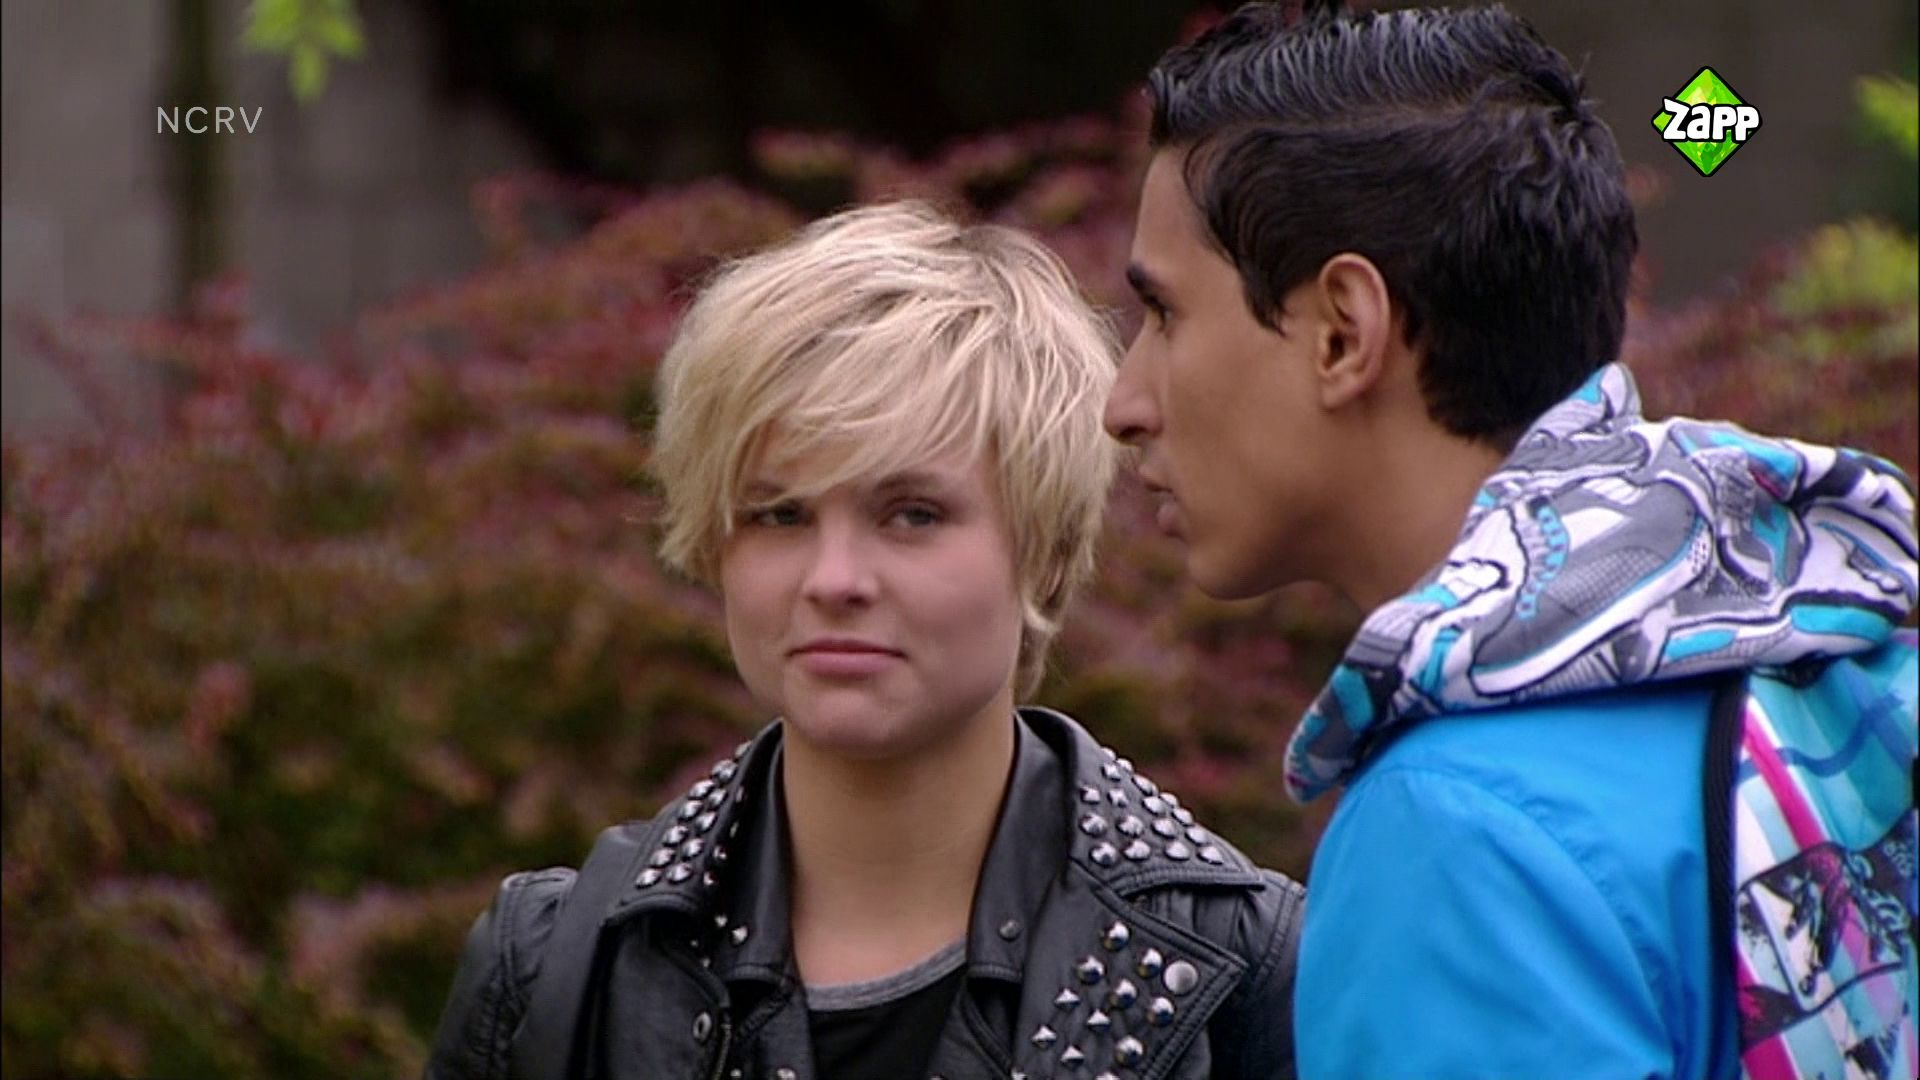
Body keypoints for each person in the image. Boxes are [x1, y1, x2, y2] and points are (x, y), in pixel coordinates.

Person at [1103, 4, 1918, 1080]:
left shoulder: (1453, 829)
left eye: (1164, 315)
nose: (1124, 403)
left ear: (1344, 331)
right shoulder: (1839, 663)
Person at [424, 201, 1305, 1080]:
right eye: (780, 514)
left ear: (1042, 550)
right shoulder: (556, 973)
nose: (834, 578)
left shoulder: (1243, 974)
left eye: (911, 514)